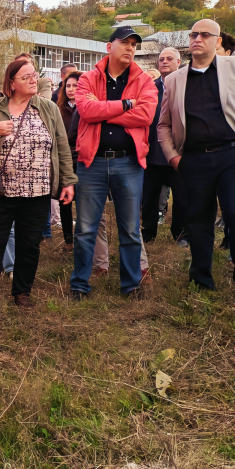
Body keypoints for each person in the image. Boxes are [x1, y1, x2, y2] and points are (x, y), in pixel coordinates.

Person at [158, 19, 235, 300]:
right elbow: (163, 125)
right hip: (194, 160)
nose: (197, 38)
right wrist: (174, 158)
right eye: (193, 34)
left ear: (217, 41)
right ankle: (201, 278)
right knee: (197, 220)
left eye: (205, 35)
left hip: (234, 155)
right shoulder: (174, 80)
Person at [0, 59, 77, 307]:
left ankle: (22, 293)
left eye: (34, 75)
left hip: (37, 191)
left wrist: (68, 181)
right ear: (11, 83)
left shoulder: (48, 108)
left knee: (29, 245)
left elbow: (62, 146)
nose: (34, 80)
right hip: (0, 191)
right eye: (26, 77)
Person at [69, 27, 157, 299]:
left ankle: (131, 285)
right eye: (125, 43)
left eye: (134, 44)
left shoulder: (144, 81)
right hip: (91, 163)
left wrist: (104, 112)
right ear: (109, 47)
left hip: (128, 164)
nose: (130, 48)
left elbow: (145, 116)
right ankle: (80, 285)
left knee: (130, 228)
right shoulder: (88, 78)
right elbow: (86, 110)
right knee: (85, 229)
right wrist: (126, 104)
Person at [141, 47, 187, 245]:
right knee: (149, 196)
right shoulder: (149, 88)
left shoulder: (188, 86)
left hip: (178, 154)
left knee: (182, 198)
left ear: (179, 62)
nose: (165, 62)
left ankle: (181, 233)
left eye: (169, 58)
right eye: (161, 59)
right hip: (153, 153)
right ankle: (148, 231)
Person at [56, 71, 81, 250]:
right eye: (68, 86)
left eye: (75, 86)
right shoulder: (58, 109)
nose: (71, 89)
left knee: (82, 201)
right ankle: (68, 240)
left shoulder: (88, 106)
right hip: (64, 159)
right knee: (64, 200)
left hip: (82, 159)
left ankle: (82, 237)